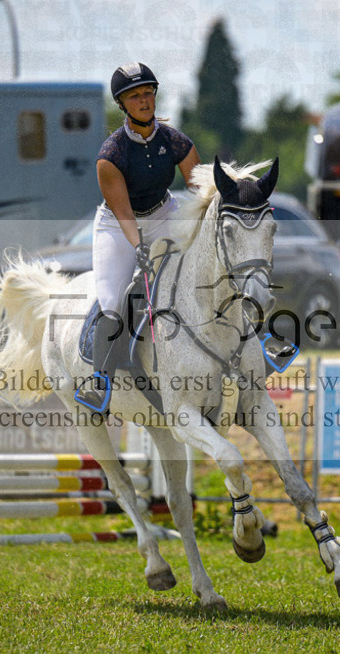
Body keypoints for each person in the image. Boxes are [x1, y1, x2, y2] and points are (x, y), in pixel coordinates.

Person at [75, 62, 202, 413]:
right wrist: (138, 246)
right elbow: (123, 212)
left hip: (164, 213)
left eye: (148, 93)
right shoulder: (111, 154)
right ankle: (100, 382)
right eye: (135, 96)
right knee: (113, 302)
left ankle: (257, 341)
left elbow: (201, 189)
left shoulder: (175, 140)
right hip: (118, 226)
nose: (144, 100)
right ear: (122, 104)